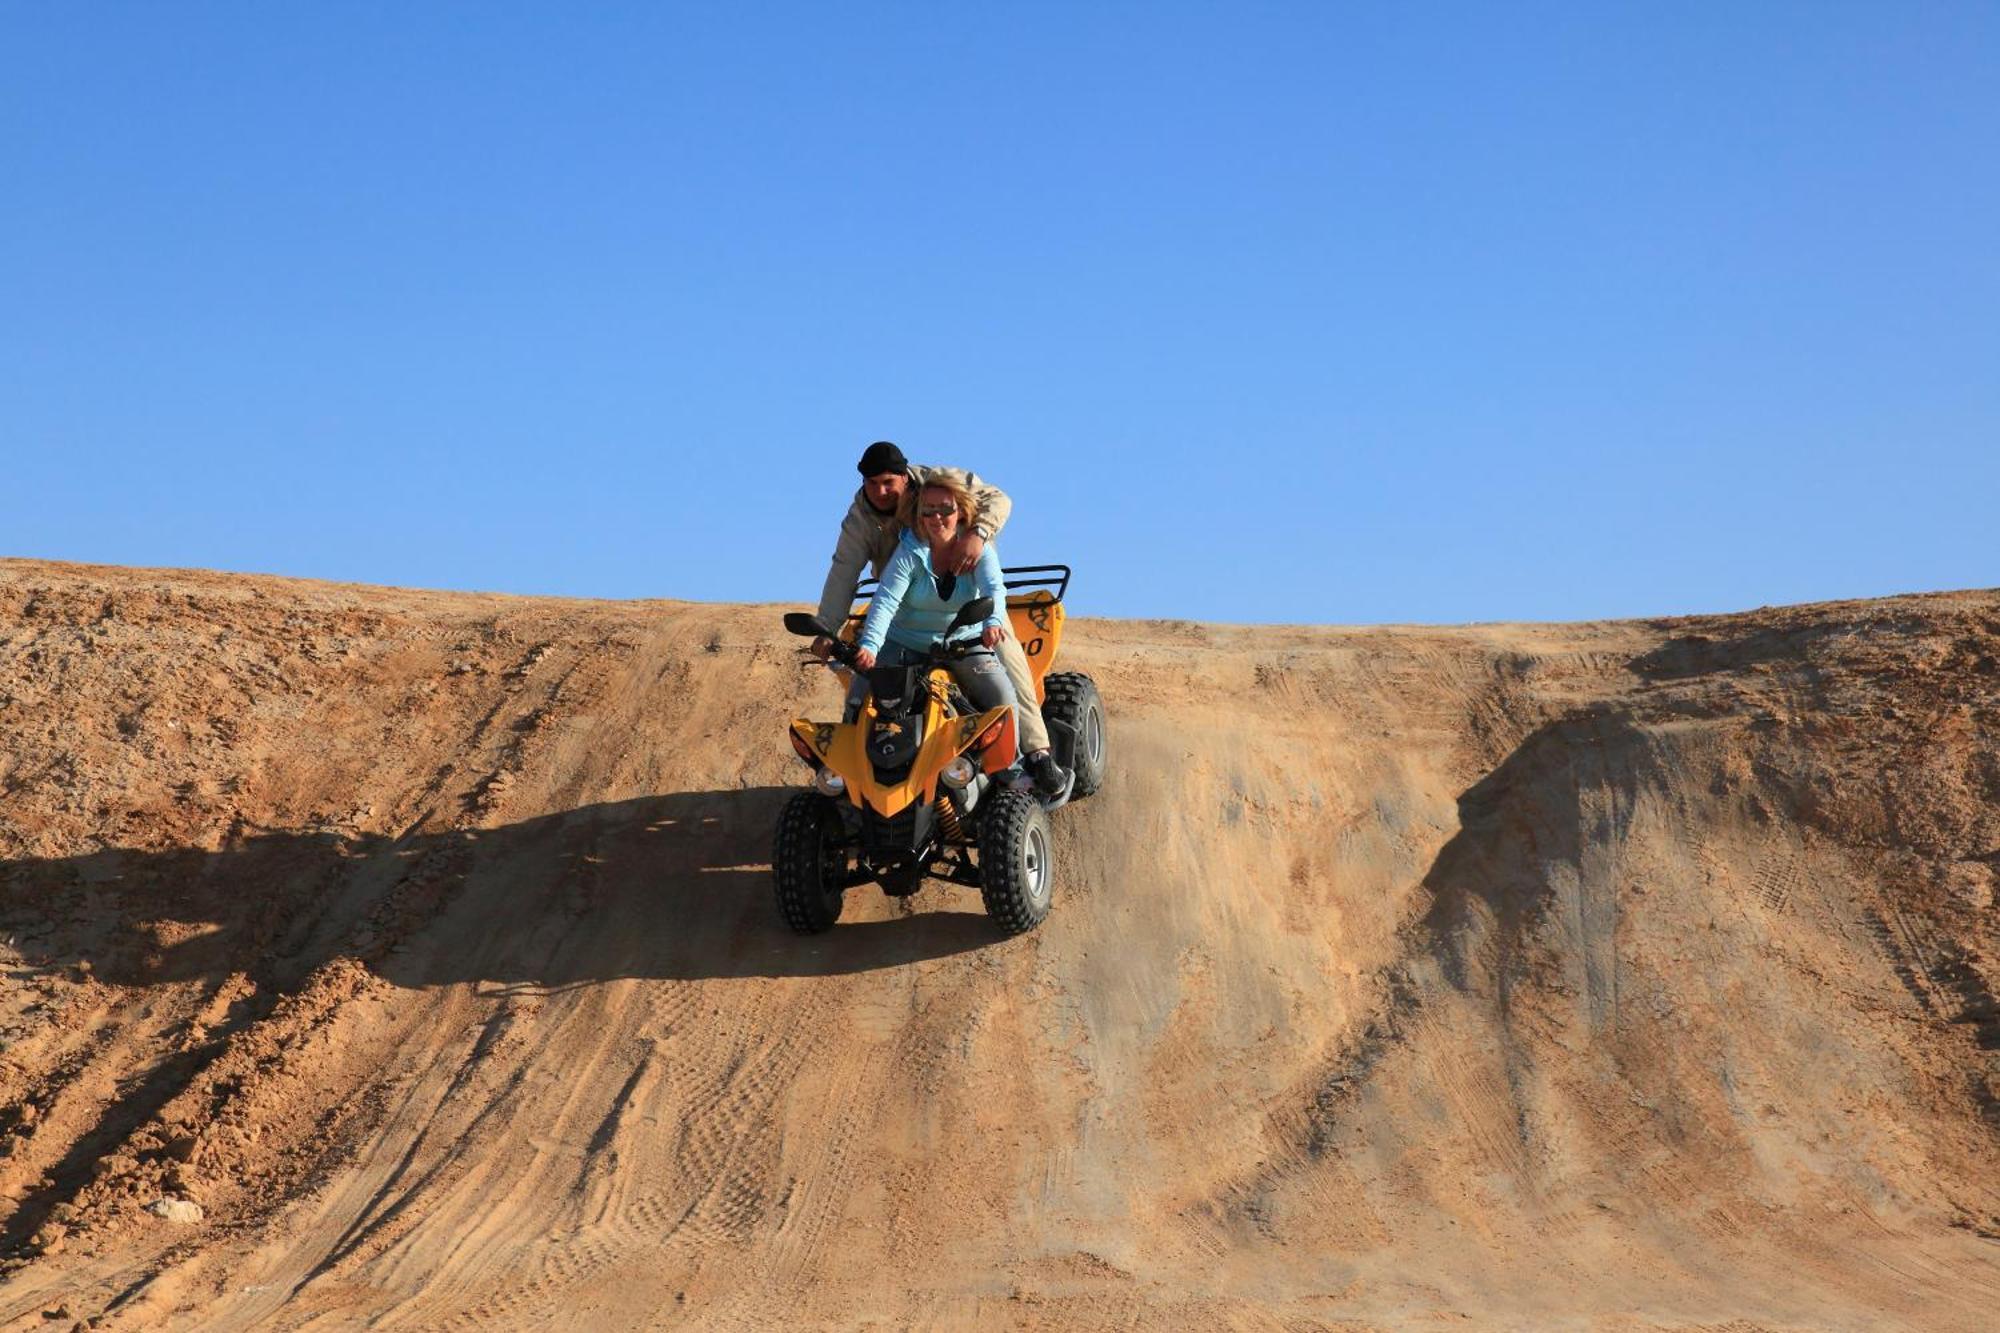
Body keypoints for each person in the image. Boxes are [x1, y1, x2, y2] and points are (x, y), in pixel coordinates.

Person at [815, 440, 1064, 788]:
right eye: (872, 484)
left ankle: (1035, 754)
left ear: (905, 478)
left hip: (969, 612)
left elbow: (999, 501)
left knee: (1008, 666)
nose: (881, 492)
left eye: (889, 483)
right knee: (862, 686)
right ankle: (852, 773)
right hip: (905, 610)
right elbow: (845, 571)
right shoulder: (862, 520)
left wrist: (978, 534)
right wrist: (827, 628)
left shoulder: (941, 484)